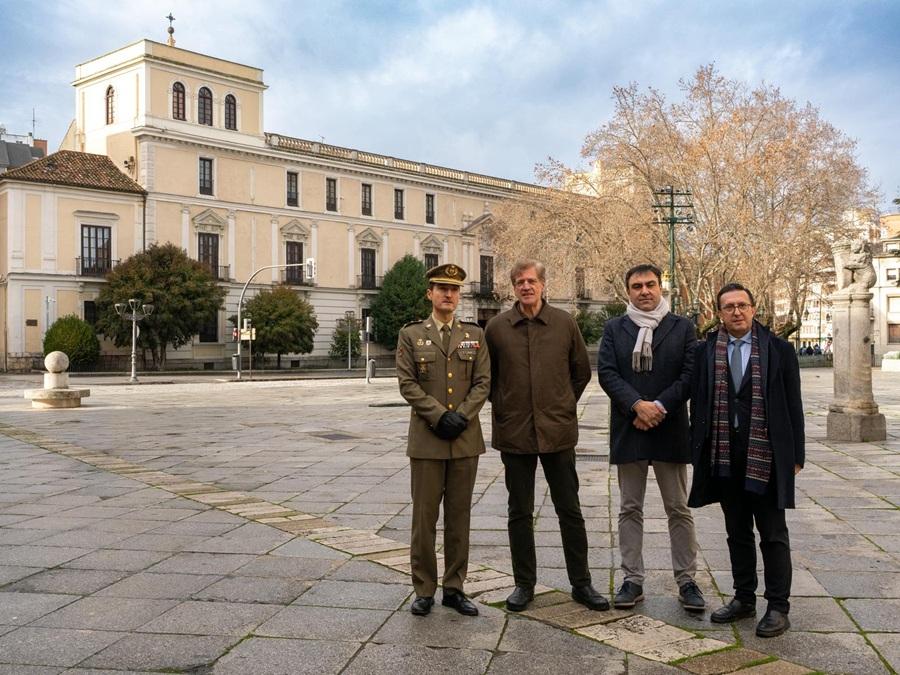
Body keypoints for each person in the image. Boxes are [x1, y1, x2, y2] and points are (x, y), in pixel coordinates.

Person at [485, 259, 609, 613]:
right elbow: (487, 378)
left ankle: (582, 583)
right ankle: (524, 584)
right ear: (513, 287)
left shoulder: (564, 323)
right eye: (520, 281)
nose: (526, 286)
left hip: (558, 433)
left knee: (569, 509)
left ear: (543, 284)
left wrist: (562, 404)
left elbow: (581, 372)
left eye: (532, 280)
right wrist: (506, 404)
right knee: (519, 512)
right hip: (515, 433)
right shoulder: (496, 328)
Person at [688, 282, 804, 638]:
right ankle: (743, 598)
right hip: (724, 453)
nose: (736, 312)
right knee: (736, 531)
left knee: (772, 533)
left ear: (754, 309)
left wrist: (796, 455)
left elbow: (793, 404)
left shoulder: (778, 350)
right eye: (729, 307)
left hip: (765, 453)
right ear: (719, 313)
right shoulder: (707, 351)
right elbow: (698, 401)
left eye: (742, 305)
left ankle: (778, 606)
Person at [597, 263, 704, 611]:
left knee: (678, 508)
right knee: (630, 508)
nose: (644, 291)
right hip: (630, 428)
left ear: (661, 288)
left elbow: (689, 376)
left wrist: (657, 407)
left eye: (650, 284)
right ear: (627, 291)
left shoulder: (682, 327)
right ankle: (632, 579)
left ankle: (687, 581)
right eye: (637, 286)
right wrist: (636, 406)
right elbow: (608, 373)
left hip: (669, 428)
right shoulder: (615, 328)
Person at [396, 263, 490, 617]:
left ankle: (455, 587)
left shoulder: (474, 335)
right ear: (430, 293)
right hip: (427, 441)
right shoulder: (412, 335)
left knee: (459, 517)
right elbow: (407, 384)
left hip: (465, 440)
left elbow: (483, 382)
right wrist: (439, 416)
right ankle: (423, 588)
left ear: (459, 294)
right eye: (441, 288)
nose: (448, 294)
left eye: (453, 289)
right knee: (424, 519)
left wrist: (462, 416)